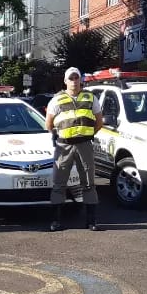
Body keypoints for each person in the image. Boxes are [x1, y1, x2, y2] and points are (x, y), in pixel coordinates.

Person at [45, 66, 103, 232]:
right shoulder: (57, 100)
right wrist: (61, 135)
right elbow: (48, 124)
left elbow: (99, 122)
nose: (74, 81)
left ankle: (91, 221)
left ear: (81, 80)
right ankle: (56, 221)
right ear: (65, 81)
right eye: (71, 78)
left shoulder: (91, 98)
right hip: (64, 146)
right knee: (59, 183)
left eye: (76, 78)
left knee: (89, 182)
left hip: (85, 145)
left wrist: (86, 134)